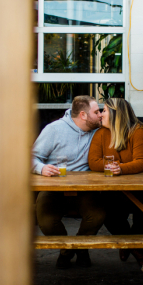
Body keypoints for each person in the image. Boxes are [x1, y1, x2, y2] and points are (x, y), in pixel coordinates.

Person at [88, 98, 143, 266]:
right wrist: (114, 166)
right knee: (106, 210)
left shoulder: (139, 131)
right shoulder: (101, 133)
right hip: (117, 190)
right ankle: (133, 247)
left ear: (116, 114)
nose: (100, 114)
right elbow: (93, 161)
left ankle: (129, 245)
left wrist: (120, 168)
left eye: (104, 111)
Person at [32, 95, 106, 269]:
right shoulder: (54, 130)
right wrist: (41, 168)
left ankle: (81, 248)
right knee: (46, 221)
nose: (101, 114)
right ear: (83, 115)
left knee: (97, 215)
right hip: (54, 186)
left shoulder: (99, 130)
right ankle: (66, 250)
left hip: (85, 188)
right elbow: (32, 157)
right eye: (96, 112)